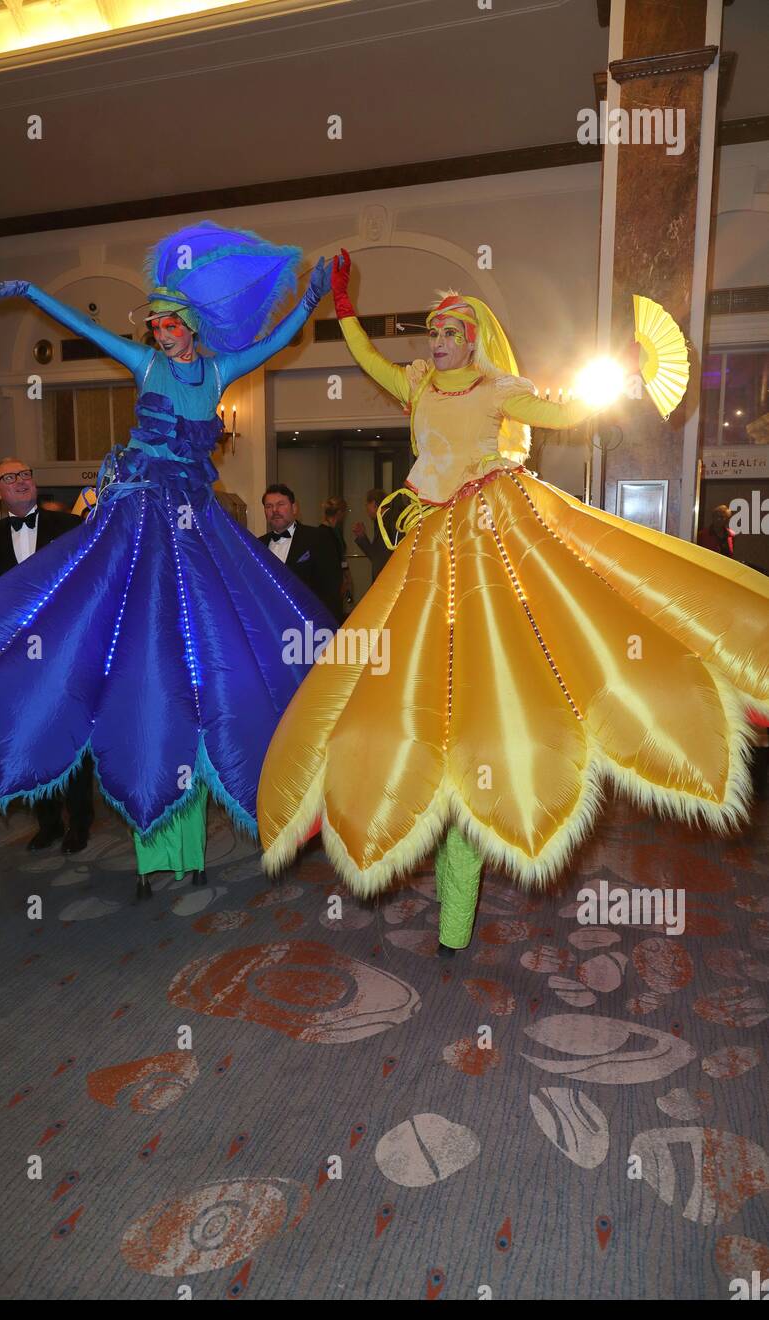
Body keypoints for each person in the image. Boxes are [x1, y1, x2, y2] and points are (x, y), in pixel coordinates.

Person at [257, 249, 769, 956]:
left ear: (471, 338)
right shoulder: (416, 386)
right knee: (401, 678)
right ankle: (444, 843)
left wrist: (622, 369)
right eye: (431, 332)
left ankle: (515, 774)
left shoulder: (496, 389)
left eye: (448, 331)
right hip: (427, 548)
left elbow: (561, 409)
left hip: (496, 530)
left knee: (530, 647)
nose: (436, 341)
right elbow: (369, 361)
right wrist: (342, 307)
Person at [0, 222, 333, 885]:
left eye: (168, 324)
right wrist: (35, 294)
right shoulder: (148, 365)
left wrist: (311, 301)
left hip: (193, 519)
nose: (160, 333)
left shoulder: (220, 368)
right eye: (154, 325)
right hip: (139, 515)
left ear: (190, 327)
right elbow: (87, 329)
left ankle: (199, 834)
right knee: (116, 633)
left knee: (219, 645)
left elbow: (275, 342)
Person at [0, 459, 93, 853]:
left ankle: (79, 822)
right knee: (29, 735)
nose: (20, 481)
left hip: (64, 651)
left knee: (69, 733)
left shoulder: (68, 526)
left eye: (25, 474)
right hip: (17, 659)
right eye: (9, 478)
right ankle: (47, 821)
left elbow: (87, 581)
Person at [258, 483, 343, 624]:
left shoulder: (318, 538)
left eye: (280, 504)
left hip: (309, 626)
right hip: (270, 628)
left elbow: (331, 588)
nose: (275, 510)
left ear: (294, 508)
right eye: (269, 506)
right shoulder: (258, 545)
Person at [353, 487, 396, 582]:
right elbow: (377, 555)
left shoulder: (389, 520)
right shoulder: (384, 521)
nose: (366, 509)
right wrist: (362, 537)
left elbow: (381, 557)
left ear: (373, 503)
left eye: (366, 505)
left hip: (387, 579)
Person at [320, 496, 353, 616]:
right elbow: (337, 559)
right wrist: (344, 579)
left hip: (333, 581)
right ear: (339, 513)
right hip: (332, 584)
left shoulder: (328, 531)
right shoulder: (329, 534)